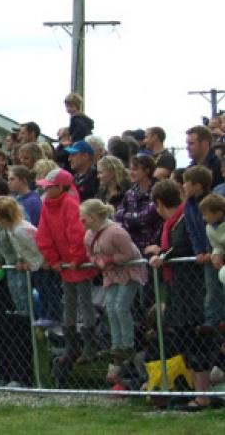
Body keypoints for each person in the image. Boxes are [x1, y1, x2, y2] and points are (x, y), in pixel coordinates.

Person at [144, 180, 217, 411]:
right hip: (180, 292)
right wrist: (162, 252)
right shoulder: (173, 224)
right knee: (189, 343)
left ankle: (203, 397)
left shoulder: (184, 220)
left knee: (198, 343)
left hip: (192, 293)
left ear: (158, 203)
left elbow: (183, 246)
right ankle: (198, 394)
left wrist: (163, 255)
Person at [35, 167, 99, 374]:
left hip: (77, 263)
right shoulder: (48, 206)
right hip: (64, 264)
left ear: (61, 187)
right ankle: (72, 347)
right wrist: (53, 259)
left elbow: (77, 233)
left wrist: (75, 258)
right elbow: (44, 235)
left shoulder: (70, 205)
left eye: (50, 187)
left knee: (85, 303)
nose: (46, 191)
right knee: (69, 305)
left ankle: (90, 346)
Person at [80, 197, 147, 384]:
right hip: (111, 276)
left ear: (93, 217)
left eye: (83, 218)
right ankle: (116, 344)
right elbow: (90, 255)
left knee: (121, 306)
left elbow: (130, 254)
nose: (81, 222)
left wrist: (108, 260)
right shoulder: (89, 236)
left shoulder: (116, 232)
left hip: (129, 272)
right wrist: (97, 262)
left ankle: (128, 343)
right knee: (110, 308)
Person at [182, 166, 224, 332]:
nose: (183, 186)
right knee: (211, 289)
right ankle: (212, 320)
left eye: (187, 182)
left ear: (198, 185)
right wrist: (199, 251)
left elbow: (215, 231)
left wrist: (212, 251)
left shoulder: (212, 203)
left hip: (215, 252)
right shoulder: (189, 205)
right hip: (207, 254)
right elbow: (192, 230)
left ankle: (219, 319)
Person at [114, 154, 162, 254]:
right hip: (134, 247)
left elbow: (144, 218)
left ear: (147, 171)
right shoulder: (129, 193)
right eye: (130, 169)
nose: (131, 173)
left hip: (154, 246)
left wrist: (126, 217)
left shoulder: (158, 190)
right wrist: (130, 218)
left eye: (135, 169)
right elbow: (117, 215)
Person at [198, 194, 225, 310]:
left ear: (218, 213)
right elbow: (217, 245)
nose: (204, 218)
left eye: (206, 214)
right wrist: (216, 254)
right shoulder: (209, 228)